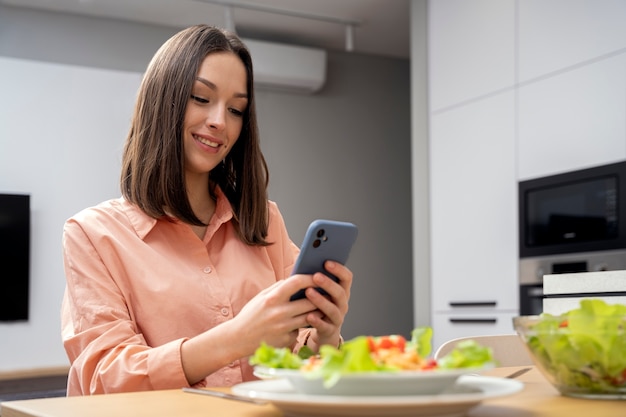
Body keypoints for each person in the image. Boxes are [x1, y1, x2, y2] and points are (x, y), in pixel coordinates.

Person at [60, 24, 353, 396]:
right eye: (201, 98)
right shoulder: (92, 235)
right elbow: (104, 378)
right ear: (162, 101)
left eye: (236, 109)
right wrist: (236, 338)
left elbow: (295, 369)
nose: (220, 121)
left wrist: (326, 337)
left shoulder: (264, 222)